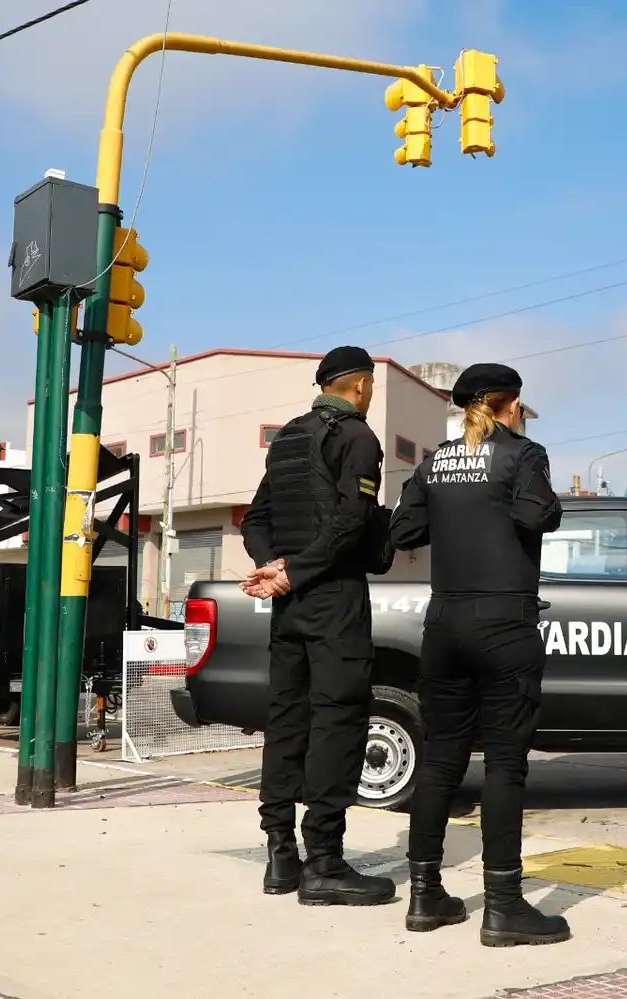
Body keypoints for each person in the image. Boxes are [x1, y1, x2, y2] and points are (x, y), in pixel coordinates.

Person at [389, 362, 570, 946]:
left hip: (444, 623)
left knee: (441, 761)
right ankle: (504, 906)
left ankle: (425, 898)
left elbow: (404, 531)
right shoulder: (524, 453)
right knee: (504, 765)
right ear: (507, 403)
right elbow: (536, 514)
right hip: (503, 623)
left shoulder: (435, 460)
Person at [241, 345, 396, 907]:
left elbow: (255, 519)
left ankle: (280, 855)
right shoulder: (356, 437)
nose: (370, 396)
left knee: (287, 720)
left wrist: (274, 568)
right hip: (333, 599)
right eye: (371, 387)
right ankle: (324, 863)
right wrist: (298, 569)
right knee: (339, 721)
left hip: (289, 604)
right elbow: (352, 523)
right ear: (359, 386)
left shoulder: (287, 438)